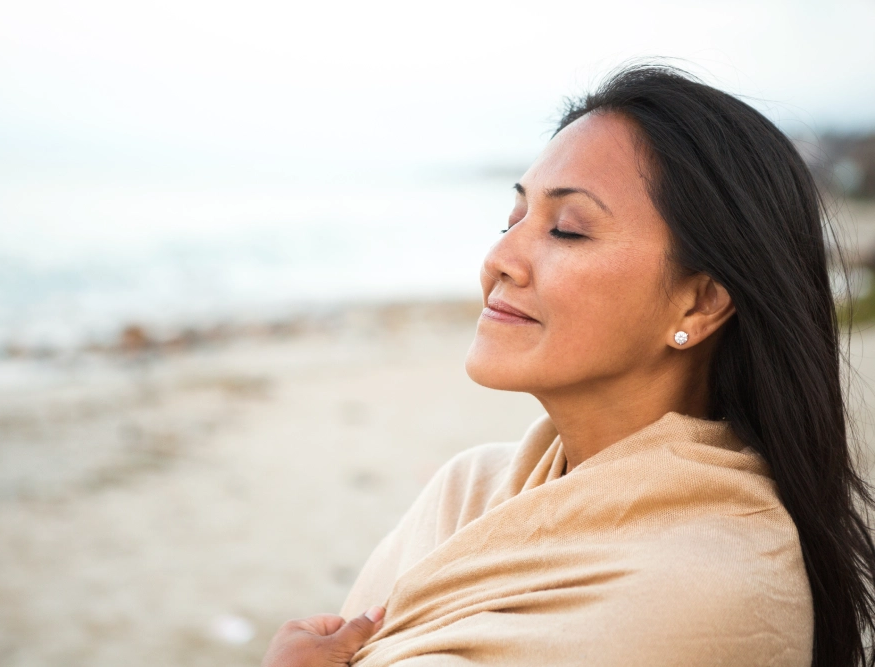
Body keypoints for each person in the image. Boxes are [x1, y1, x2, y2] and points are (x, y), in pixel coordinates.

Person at [261, 64, 875, 667]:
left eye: (567, 230)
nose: (499, 258)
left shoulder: (711, 590)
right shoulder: (467, 491)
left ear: (701, 302)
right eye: (512, 220)